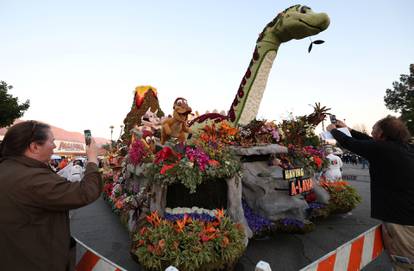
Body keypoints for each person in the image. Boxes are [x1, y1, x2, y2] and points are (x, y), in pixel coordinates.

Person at [0, 120, 102, 271]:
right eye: (52, 141)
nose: (54, 146)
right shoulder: (32, 178)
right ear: (34, 147)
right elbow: (85, 192)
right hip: (36, 261)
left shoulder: (7, 168)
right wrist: (92, 159)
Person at [327, 116, 414, 270]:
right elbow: (367, 141)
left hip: (402, 220)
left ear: (381, 134)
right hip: (407, 214)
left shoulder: (383, 149)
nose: (371, 133)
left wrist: (334, 131)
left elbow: (353, 144)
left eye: (374, 130)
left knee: (405, 263)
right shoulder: (403, 148)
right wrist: (349, 129)